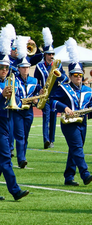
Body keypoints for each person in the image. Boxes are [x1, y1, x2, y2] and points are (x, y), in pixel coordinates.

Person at [50, 37, 92, 186]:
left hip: (82, 122)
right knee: (77, 147)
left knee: (75, 149)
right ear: (70, 76)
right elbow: (52, 100)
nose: (78, 77)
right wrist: (64, 107)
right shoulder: (63, 88)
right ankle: (85, 174)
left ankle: (69, 177)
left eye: (80, 75)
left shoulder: (87, 90)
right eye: (75, 75)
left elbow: (89, 105)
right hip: (68, 122)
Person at [0, 25, 29, 200]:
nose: (4, 70)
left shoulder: (10, 81)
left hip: (7, 123)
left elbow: (16, 100)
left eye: (5, 68)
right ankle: (15, 190)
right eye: (1, 67)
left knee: (2, 160)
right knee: (5, 159)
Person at [34, 27, 67, 149]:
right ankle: (46, 140)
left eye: (53, 54)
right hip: (44, 94)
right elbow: (35, 82)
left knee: (53, 117)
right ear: (45, 55)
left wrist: (57, 75)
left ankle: (52, 139)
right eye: (49, 54)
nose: (51, 56)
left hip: (55, 94)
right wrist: (39, 90)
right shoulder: (39, 67)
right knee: (46, 117)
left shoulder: (58, 65)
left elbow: (65, 78)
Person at [13, 36, 42, 168]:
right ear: (18, 68)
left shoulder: (34, 81)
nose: (25, 69)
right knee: (19, 135)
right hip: (18, 111)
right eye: (23, 67)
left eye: (27, 67)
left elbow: (38, 92)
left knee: (26, 135)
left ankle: (22, 156)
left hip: (29, 110)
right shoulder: (14, 80)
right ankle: (21, 159)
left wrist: (38, 96)